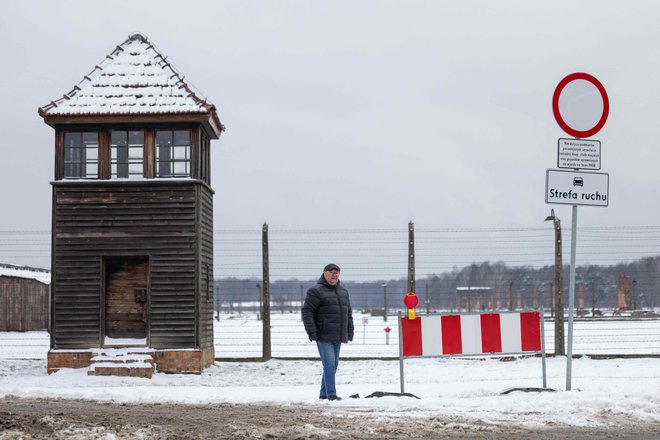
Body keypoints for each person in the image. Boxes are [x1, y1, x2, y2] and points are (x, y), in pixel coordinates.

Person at [302, 263, 354, 401]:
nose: (334, 275)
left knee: (333, 365)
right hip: (323, 335)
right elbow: (307, 311)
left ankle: (323, 394)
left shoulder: (343, 291)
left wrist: (350, 330)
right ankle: (331, 394)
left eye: (337, 273)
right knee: (329, 364)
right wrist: (311, 331)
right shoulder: (316, 291)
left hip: (338, 335)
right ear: (324, 273)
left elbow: (348, 312)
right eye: (331, 272)